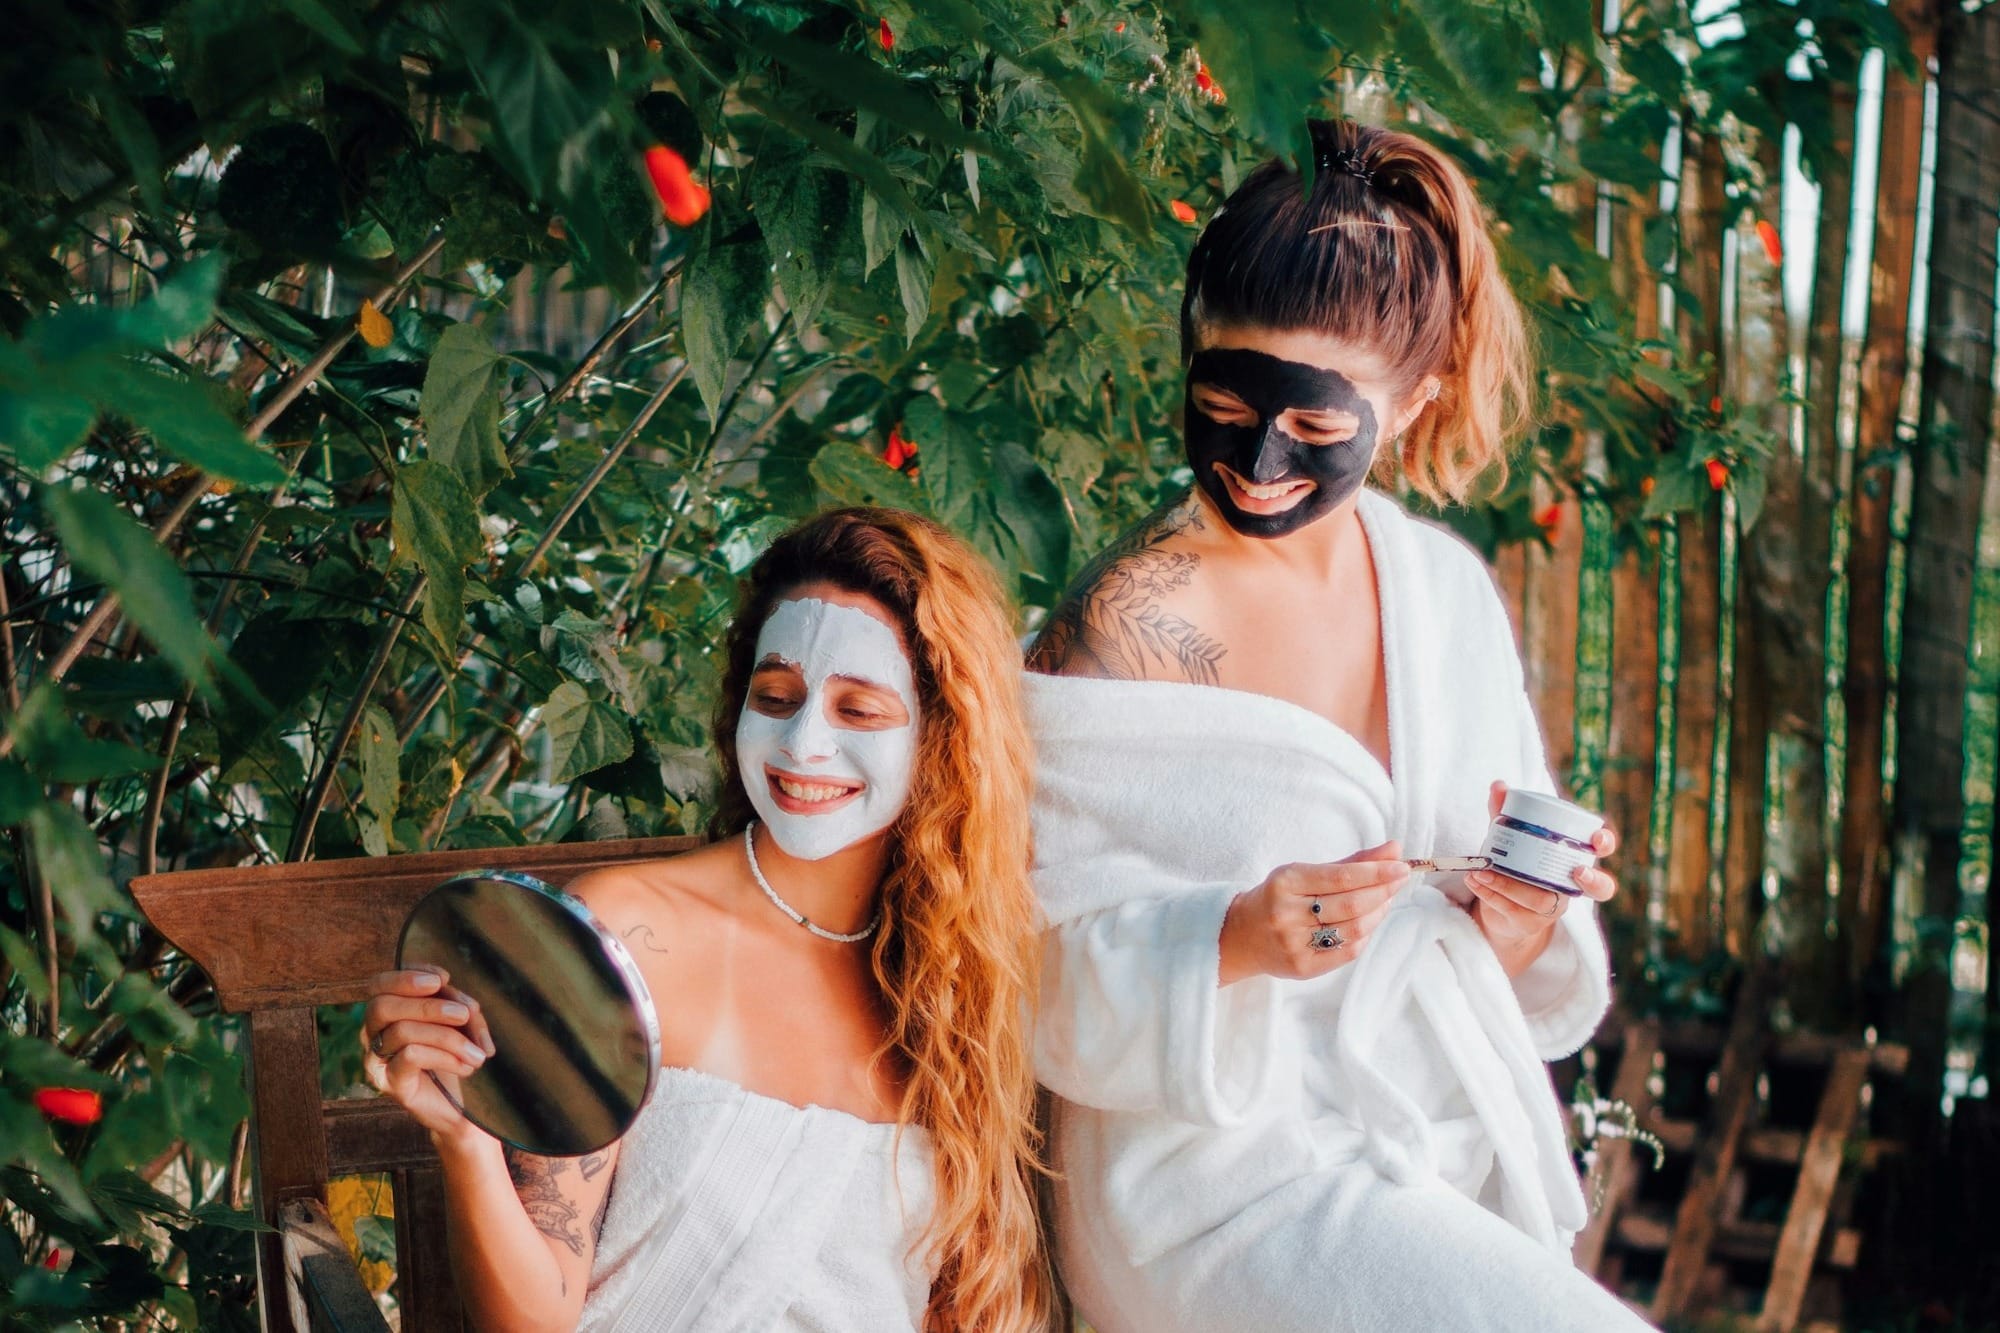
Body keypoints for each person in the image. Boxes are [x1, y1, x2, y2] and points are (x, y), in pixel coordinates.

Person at [1025, 119, 1655, 1331]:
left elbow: (1494, 948)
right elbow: (1019, 965)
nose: (1259, 460)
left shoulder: (1445, 597)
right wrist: (1227, 940)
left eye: (1315, 430)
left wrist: (1517, 920)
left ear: (1413, 402)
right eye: (1220, 403)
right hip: (1199, 1185)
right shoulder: (1124, 620)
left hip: (1404, 1153)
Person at [363, 508, 1054, 1332]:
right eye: (778, 696)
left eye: (858, 710)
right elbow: (533, 1318)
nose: (804, 742)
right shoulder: (620, 933)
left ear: (946, 733)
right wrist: (465, 1138)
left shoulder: (959, 988)